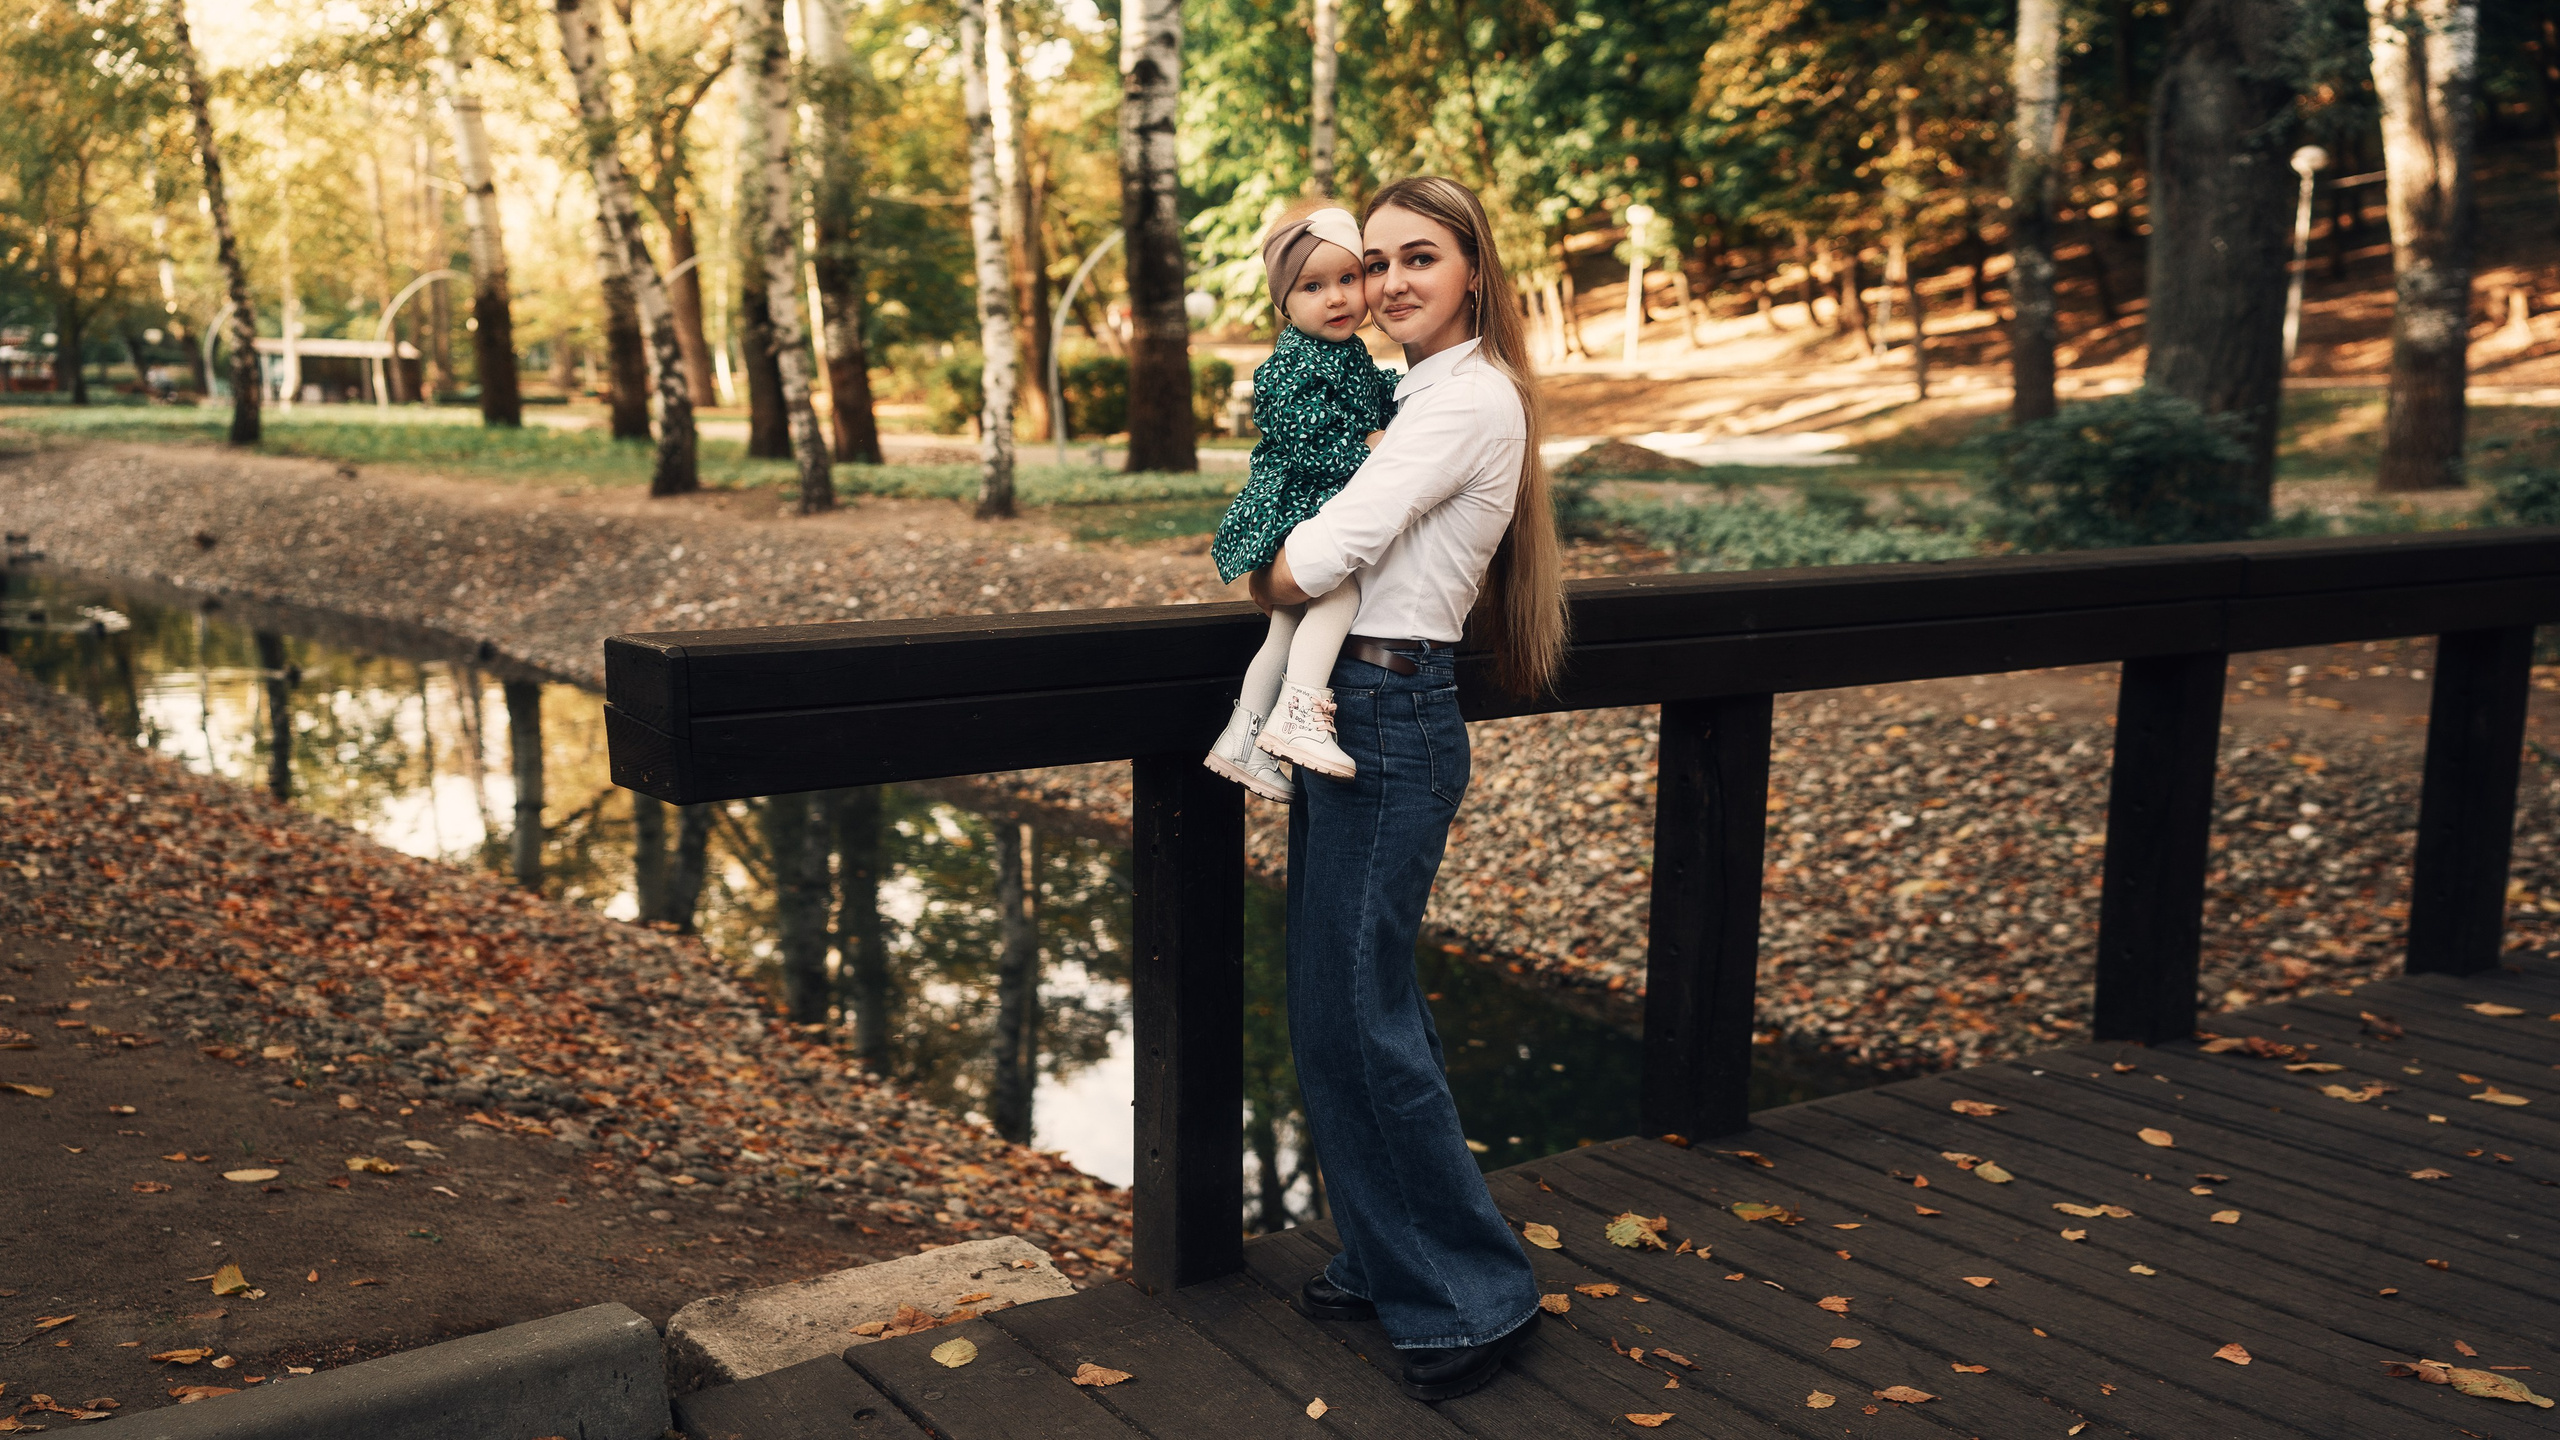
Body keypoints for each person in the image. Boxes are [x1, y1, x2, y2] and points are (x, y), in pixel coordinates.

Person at [1249, 175, 1569, 1402]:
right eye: (1372, 262)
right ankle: (1393, 1257)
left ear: (1473, 268)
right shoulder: (1415, 390)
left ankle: (1467, 1295)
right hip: (1362, 708)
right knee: (1343, 1003)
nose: (1386, 284)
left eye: (1416, 258)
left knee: (1355, 1008)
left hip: (1383, 714)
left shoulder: (1465, 400)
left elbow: (1314, 560)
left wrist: (1259, 562)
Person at [1202, 202, 1399, 801]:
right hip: (1296, 502)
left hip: (1314, 501)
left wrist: (1408, 395)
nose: (1336, 297)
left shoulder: (1346, 352)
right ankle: (1300, 716)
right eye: (1312, 287)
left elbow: (1374, 392)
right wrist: (1368, 448)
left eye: (1348, 278)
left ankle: (1242, 742)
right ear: (1283, 303)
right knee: (1339, 594)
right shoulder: (1288, 365)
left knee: (1285, 629)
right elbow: (1309, 443)